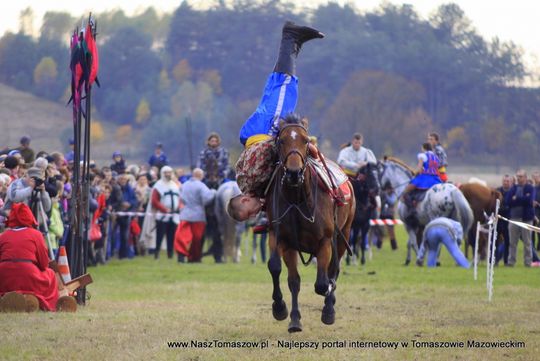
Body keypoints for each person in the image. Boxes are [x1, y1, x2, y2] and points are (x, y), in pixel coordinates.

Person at [228, 21, 324, 221]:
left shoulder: (252, 180)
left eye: (251, 213)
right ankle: (292, 45)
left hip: (263, 132)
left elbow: (267, 149)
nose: (256, 214)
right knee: (276, 88)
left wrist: (300, 139)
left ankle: (290, 36)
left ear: (245, 200)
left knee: (285, 87)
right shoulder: (250, 186)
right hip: (256, 131)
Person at [0, 203, 58, 311]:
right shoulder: (36, 234)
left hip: (4, 277)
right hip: (28, 275)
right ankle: (36, 301)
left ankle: (7, 298)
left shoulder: (3, 236)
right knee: (51, 274)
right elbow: (44, 263)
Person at [174, 168, 216, 262]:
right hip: (198, 216)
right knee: (196, 238)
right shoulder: (201, 186)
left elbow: (181, 198)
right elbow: (207, 199)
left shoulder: (184, 185)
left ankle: (181, 255)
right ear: (201, 176)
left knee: (182, 236)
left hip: (185, 214)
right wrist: (213, 192)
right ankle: (193, 258)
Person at [504, 169, 534, 267]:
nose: (518, 178)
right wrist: (522, 198)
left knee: (527, 242)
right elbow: (508, 201)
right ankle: (511, 262)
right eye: (517, 176)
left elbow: (529, 201)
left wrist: (516, 198)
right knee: (512, 242)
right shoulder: (513, 188)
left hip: (526, 219)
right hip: (514, 219)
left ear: (525, 177)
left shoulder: (530, 188)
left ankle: (528, 262)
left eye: (520, 176)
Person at [151, 166, 181, 259]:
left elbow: (178, 198)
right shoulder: (158, 185)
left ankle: (170, 254)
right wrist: (164, 209)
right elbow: (154, 200)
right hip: (162, 215)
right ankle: (157, 254)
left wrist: (177, 208)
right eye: (166, 173)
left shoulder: (174, 185)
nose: (168, 174)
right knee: (159, 236)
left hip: (174, 214)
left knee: (171, 236)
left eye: (169, 172)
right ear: (162, 173)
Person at [401, 142, 442, 209]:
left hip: (425, 178)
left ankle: (411, 208)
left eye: (422, 148)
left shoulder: (422, 156)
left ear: (424, 148)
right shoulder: (436, 157)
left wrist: (414, 173)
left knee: (407, 190)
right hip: (436, 179)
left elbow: (419, 169)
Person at [496, 174, 514, 265]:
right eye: (504, 181)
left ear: (511, 182)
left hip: (508, 220)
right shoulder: (497, 191)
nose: (505, 183)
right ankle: (494, 261)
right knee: (495, 241)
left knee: (508, 242)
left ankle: (506, 261)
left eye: (508, 181)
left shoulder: (513, 191)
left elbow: (511, 205)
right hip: (498, 220)